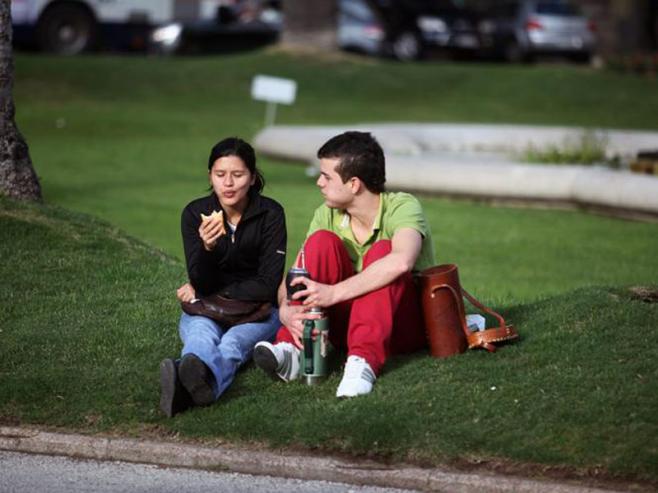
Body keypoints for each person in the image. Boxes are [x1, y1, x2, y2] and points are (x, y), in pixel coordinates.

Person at [253, 131, 435, 397]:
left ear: (353, 184)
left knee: (385, 252)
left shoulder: (402, 207)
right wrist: (285, 309)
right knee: (320, 241)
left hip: (400, 325)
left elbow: (402, 261)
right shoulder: (327, 214)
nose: (318, 182)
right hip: (343, 325)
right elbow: (296, 274)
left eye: (326, 176)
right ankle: (294, 350)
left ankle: (362, 363)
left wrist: (333, 293)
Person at [160, 137, 286, 417]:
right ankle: (198, 382)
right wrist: (206, 249)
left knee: (233, 344)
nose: (228, 183)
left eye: (237, 175)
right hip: (206, 307)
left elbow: (267, 285)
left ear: (252, 178)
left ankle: (186, 387)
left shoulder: (271, 214)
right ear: (210, 177)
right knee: (201, 337)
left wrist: (213, 289)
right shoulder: (195, 214)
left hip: (259, 311)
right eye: (220, 175)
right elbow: (202, 280)